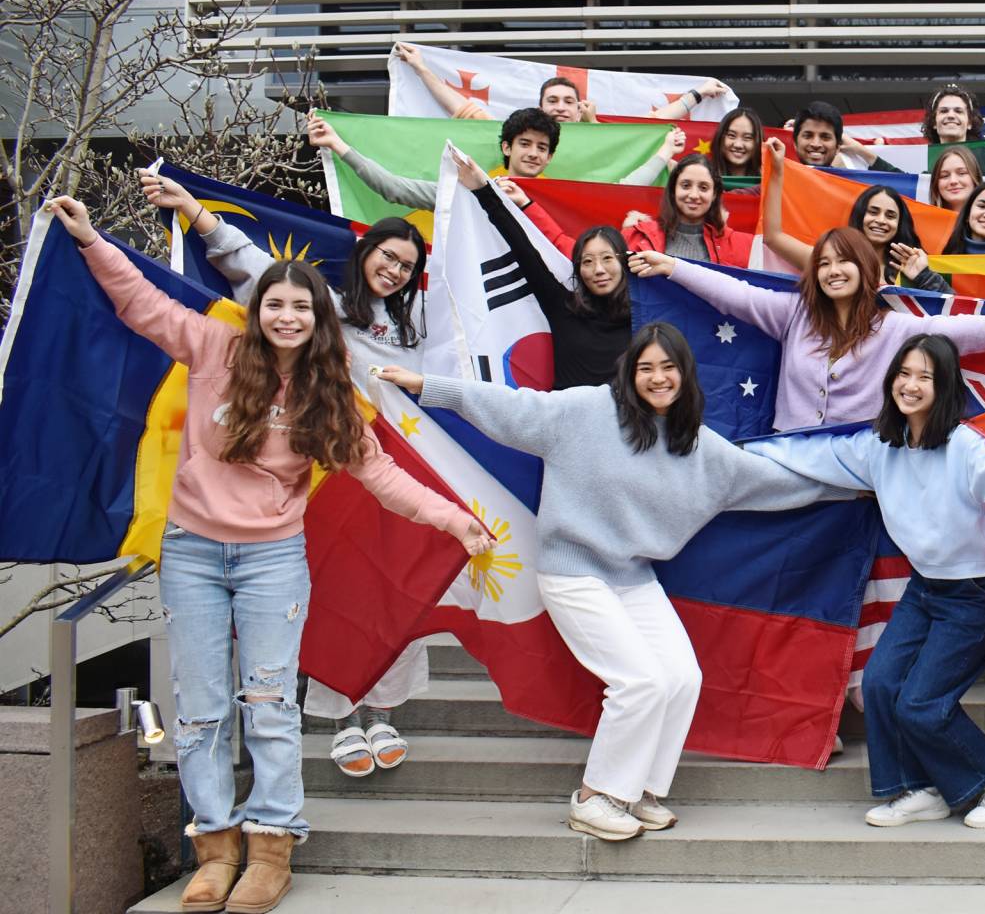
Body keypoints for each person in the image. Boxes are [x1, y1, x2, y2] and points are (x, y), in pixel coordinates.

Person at [41, 195, 492, 914]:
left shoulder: (329, 391)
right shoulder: (215, 348)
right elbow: (140, 302)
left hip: (273, 561)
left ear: (318, 321)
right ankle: (215, 846)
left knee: (270, 704)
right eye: (275, 303)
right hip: (191, 552)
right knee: (200, 709)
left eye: (301, 308)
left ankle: (275, 841)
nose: (287, 316)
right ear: (258, 310)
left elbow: (382, 476)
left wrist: (457, 521)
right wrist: (93, 240)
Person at [378, 324, 841, 841]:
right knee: (640, 681)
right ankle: (596, 797)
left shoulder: (700, 447)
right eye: (647, 368)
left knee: (682, 677)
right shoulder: (587, 411)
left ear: (685, 375)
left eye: (669, 367)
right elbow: (512, 408)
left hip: (634, 577)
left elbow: (777, 479)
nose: (658, 377)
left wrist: (862, 484)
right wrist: (428, 385)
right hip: (573, 572)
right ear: (630, 371)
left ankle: (638, 789)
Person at [142, 171, 444, 776]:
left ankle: (382, 709)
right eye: (389, 255)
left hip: (392, 468)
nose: (395, 270)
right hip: (325, 466)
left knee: (393, 589)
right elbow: (252, 267)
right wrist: (198, 214)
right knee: (338, 589)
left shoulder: (423, 332)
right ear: (365, 255)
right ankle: (339, 716)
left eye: (408, 266)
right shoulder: (322, 308)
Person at [744, 335, 985, 829]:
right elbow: (819, 455)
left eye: (924, 377)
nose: (910, 386)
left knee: (923, 705)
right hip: (924, 588)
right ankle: (918, 789)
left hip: (971, 594)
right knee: (882, 683)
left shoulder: (965, 445)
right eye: (904, 374)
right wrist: (754, 452)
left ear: (945, 385)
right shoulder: (879, 446)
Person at [629, 226, 985, 432]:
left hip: (859, 461)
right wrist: (673, 266)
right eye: (824, 263)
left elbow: (959, 331)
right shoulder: (793, 314)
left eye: (844, 261)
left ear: (866, 269)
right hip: (791, 453)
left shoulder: (894, 328)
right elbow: (737, 295)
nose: (834, 271)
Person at [457, 156, 631, 389]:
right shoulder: (564, 306)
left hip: (627, 423)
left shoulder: (644, 314)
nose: (598, 270)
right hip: (565, 419)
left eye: (607, 259)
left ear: (624, 262)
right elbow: (523, 250)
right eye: (587, 261)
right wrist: (483, 189)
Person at [391, 42, 729, 125]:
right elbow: (457, 105)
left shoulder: (600, 136)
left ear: (579, 106)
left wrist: (696, 95)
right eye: (553, 101)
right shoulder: (517, 138)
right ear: (540, 108)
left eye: (568, 101)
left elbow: (651, 126)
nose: (560, 108)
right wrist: (422, 69)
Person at [308, 107, 562, 211]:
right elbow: (394, 189)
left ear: (549, 157)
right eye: (525, 144)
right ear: (507, 148)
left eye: (542, 148)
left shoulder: (560, 202)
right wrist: (337, 144)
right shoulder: (472, 191)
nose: (533, 153)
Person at [758, 139, 932, 283]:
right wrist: (778, 171)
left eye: (890, 215)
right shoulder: (831, 261)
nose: (880, 220)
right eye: (873, 211)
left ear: (900, 224)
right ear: (860, 216)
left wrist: (925, 277)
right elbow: (774, 237)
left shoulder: (912, 269)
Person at [622, 153, 754, 267]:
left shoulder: (746, 246)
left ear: (714, 194)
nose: (694, 195)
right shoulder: (636, 235)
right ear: (673, 189)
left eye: (703, 188)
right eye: (686, 186)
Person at [793, 100, 904, 173]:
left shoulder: (856, 189)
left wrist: (863, 152)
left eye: (825, 137)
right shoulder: (778, 184)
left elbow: (906, 186)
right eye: (808, 136)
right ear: (795, 143)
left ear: (838, 147)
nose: (816, 144)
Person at [711, 106, 764, 180]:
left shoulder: (769, 182)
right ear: (720, 138)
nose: (738, 145)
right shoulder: (704, 178)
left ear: (758, 143)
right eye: (731, 135)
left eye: (747, 137)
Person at [931, 145, 985, 210]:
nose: (953, 181)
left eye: (962, 173)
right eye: (945, 176)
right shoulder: (923, 219)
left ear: (975, 178)